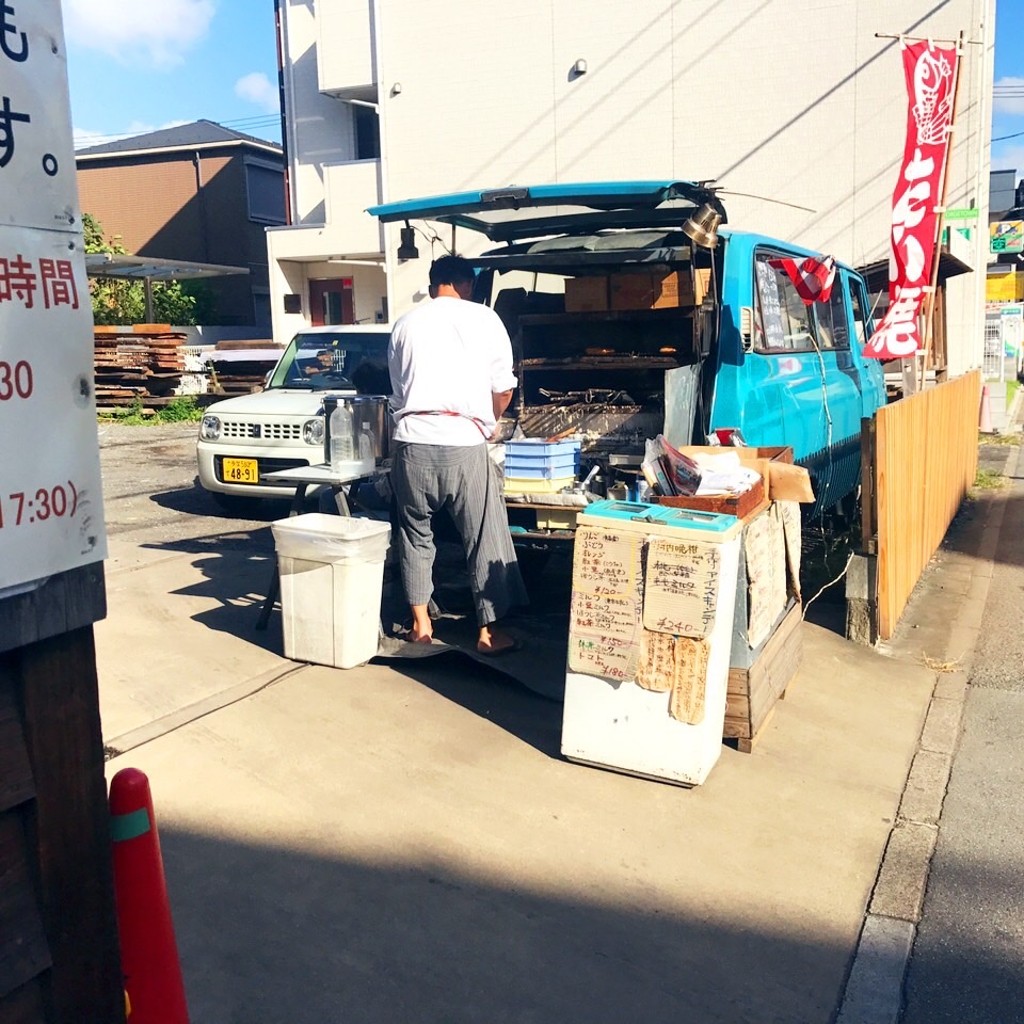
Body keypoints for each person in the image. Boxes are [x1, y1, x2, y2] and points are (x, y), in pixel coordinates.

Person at [388, 254, 527, 656]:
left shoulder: (405, 323)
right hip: (465, 444)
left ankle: (421, 627)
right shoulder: (485, 319)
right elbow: (503, 387)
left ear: (434, 285)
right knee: (483, 536)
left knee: (414, 537)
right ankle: (487, 634)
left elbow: (398, 393)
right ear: (467, 284)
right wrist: (491, 421)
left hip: (412, 442)